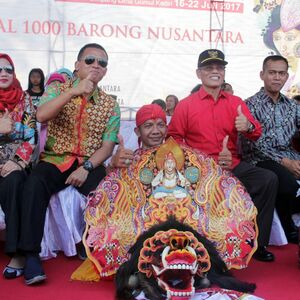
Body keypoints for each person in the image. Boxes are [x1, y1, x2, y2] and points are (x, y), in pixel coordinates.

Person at [71, 103, 258, 281]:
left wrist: (222, 167)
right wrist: (113, 165)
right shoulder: (128, 157)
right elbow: (112, 189)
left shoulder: (183, 156)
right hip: (141, 216)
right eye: (148, 126)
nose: (155, 131)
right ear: (137, 131)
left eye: (160, 125)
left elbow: (204, 180)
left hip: (181, 215)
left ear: (166, 129)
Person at [15, 43, 120, 285]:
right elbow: (41, 115)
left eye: (102, 63)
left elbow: (107, 146)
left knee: (110, 191)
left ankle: (95, 247)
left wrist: (87, 168)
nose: (96, 65)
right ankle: (31, 255)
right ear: (77, 65)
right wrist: (73, 92)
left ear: (105, 71)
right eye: (90, 60)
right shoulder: (57, 89)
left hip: (88, 162)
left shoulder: (110, 104)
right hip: (55, 160)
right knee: (34, 185)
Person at [167, 49, 278, 262]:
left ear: (224, 72)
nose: (215, 71)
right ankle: (206, 241)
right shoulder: (186, 105)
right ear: (199, 73)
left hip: (232, 165)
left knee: (268, 179)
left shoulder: (235, 102)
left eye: (219, 67)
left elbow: (256, 132)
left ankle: (258, 243)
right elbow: (173, 140)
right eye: (209, 67)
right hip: (199, 170)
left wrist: (247, 125)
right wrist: (199, 161)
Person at [243, 55, 300, 243]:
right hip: (259, 158)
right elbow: (251, 144)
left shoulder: (292, 106)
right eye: (272, 73)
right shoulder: (250, 104)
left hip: (290, 156)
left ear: (286, 77)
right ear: (262, 75)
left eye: (281, 73)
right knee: (287, 182)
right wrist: (284, 162)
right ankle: (287, 224)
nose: (277, 77)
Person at [0, 54, 37, 279]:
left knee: (14, 183)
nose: (3, 73)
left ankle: (17, 253)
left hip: (15, 164)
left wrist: (17, 162)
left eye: (8, 69)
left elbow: (32, 137)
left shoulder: (25, 100)